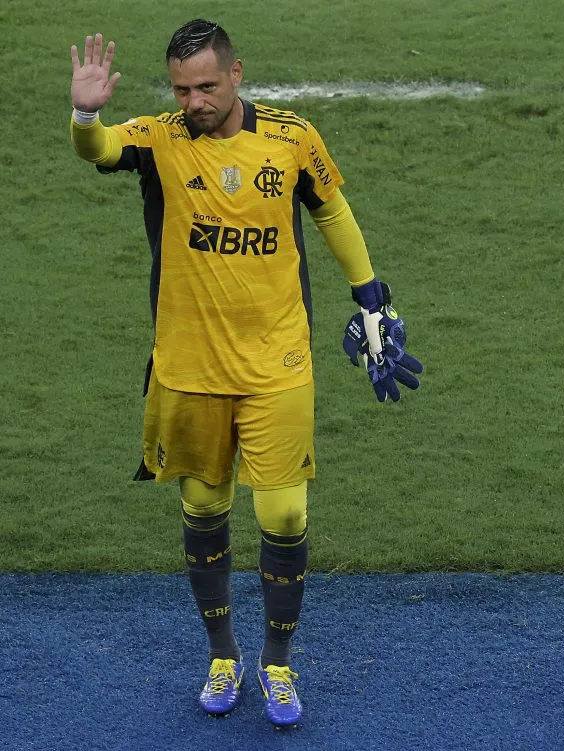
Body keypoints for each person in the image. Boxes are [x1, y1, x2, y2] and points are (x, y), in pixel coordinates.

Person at [68, 19, 423, 728]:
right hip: (189, 369)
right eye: (181, 88)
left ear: (235, 74)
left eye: (205, 85)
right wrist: (85, 112)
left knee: (284, 513)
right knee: (204, 510)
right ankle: (222, 653)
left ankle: (278, 663)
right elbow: (101, 149)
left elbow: (332, 211)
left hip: (278, 363)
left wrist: (371, 293)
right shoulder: (160, 139)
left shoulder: (292, 138)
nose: (194, 101)